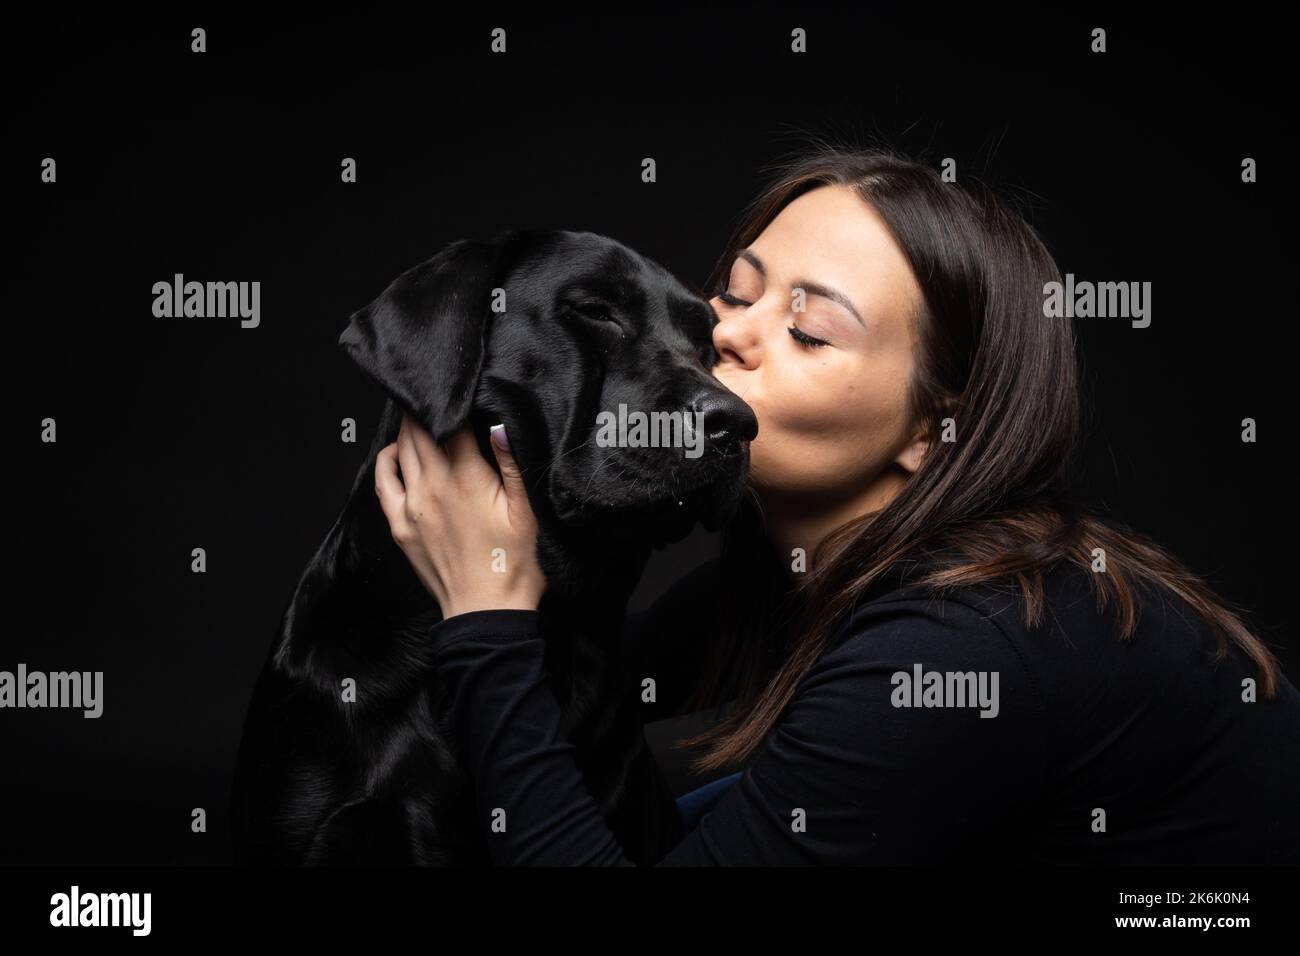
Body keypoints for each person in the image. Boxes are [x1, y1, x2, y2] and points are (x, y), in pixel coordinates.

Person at [372, 144, 1300, 865]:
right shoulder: (803, 569)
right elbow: (595, 688)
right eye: (732, 296)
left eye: (809, 330)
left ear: (932, 432)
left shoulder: (958, 646)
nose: (723, 337)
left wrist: (485, 617)